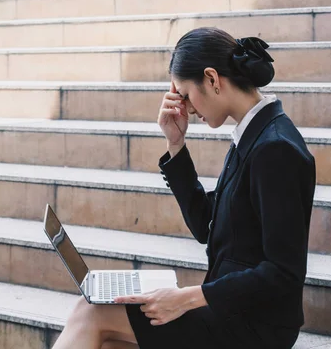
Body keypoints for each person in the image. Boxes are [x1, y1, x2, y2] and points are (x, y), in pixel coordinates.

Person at [52, 27, 316, 349]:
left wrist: (187, 298)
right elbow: (208, 227)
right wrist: (175, 145)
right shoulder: (253, 136)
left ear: (212, 79)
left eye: (187, 95)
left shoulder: (274, 148)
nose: (187, 109)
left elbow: (283, 274)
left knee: (91, 313)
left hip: (252, 327)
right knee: (108, 343)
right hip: (231, 310)